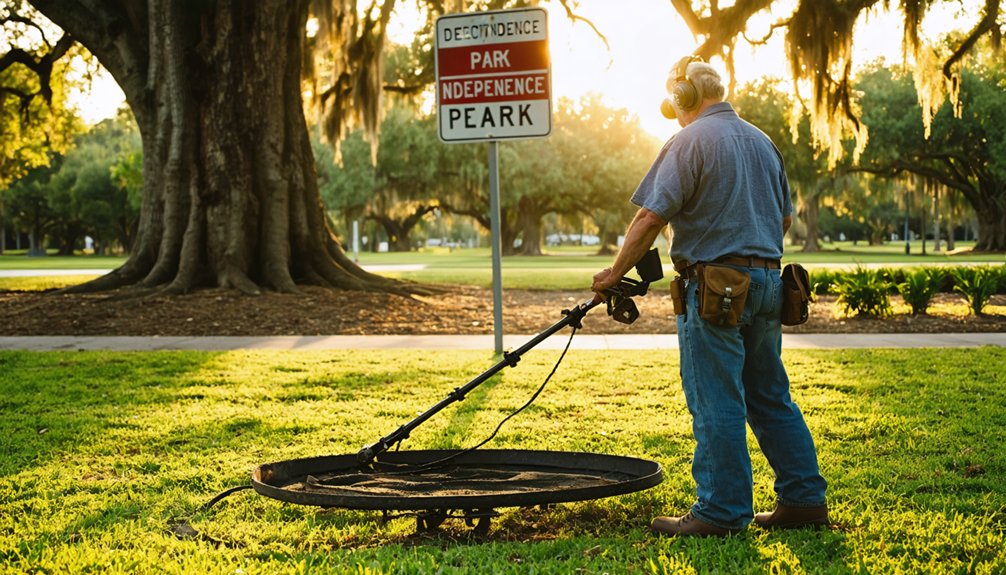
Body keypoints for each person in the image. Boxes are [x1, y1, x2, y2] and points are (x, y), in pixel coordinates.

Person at [591, 56, 828, 536]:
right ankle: (803, 501)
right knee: (770, 395)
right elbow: (784, 219)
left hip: (716, 289)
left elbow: (650, 219)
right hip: (767, 284)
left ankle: (721, 511)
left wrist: (614, 272)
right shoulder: (764, 142)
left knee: (716, 399)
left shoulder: (689, 140)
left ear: (685, 97)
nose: (674, 114)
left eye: (674, 104)